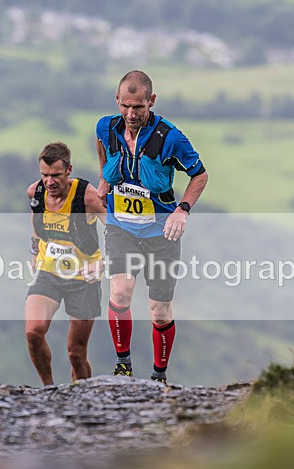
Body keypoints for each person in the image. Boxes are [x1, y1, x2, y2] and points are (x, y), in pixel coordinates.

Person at [95, 70, 209, 384]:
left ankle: (159, 376)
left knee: (159, 310)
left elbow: (200, 175)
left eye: (139, 108)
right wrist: (105, 179)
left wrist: (182, 211)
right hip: (121, 226)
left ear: (151, 102)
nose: (131, 114)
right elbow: (101, 147)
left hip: (161, 232)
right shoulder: (106, 127)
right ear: (117, 100)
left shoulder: (171, 137)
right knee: (121, 291)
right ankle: (123, 366)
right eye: (126, 106)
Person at [25, 141, 107, 386]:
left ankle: (81, 399)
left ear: (69, 169)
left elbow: (118, 232)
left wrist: (102, 264)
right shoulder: (35, 192)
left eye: (56, 176)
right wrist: (34, 251)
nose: (50, 182)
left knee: (76, 353)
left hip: (83, 278)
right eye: (45, 175)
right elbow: (37, 224)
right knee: (33, 333)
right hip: (48, 272)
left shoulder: (87, 196)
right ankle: (49, 391)